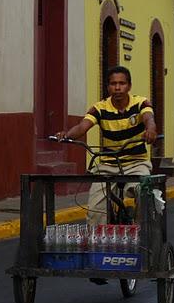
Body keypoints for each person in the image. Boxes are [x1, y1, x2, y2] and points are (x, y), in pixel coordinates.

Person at [55, 65, 158, 228]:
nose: (117, 88)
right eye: (113, 84)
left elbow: (149, 119)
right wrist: (66, 135)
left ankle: (142, 233)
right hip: (107, 165)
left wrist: (150, 130)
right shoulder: (100, 108)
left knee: (144, 193)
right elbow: (82, 126)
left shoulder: (140, 103)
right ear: (108, 86)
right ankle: (98, 243)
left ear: (129, 86)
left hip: (136, 164)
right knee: (96, 207)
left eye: (122, 83)